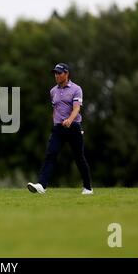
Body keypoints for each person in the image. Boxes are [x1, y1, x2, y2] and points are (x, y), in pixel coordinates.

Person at [27, 63, 93, 195]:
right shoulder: (53, 91)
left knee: (79, 158)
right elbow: (55, 109)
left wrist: (69, 120)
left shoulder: (76, 89)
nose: (56, 76)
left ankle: (88, 188)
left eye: (59, 73)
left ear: (66, 74)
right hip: (58, 128)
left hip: (73, 126)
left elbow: (76, 108)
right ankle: (42, 185)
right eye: (55, 73)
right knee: (51, 154)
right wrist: (55, 123)